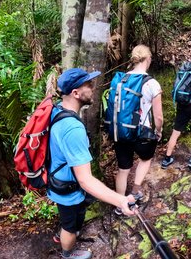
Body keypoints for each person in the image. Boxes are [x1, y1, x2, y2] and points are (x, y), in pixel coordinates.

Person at [49, 68, 135, 259]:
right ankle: (67, 254)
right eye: (88, 85)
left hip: (60, 178)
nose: (93, 87)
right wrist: (120, 200)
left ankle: (64, 232)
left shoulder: (58, 109)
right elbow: (86, 180)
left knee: (71, 219)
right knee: (70, 227)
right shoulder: (72, 128)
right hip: (67, 188)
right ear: (75, 93)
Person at [113, 45, 163, 215]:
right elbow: (158, 117)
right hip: (142, 132)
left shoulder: (121, 79)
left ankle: (120, 204)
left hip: (121, 130)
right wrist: (159, 131)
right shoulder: (152, 83)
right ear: (148, 59)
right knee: (145, 159)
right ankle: (134, 192)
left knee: (123, 169)